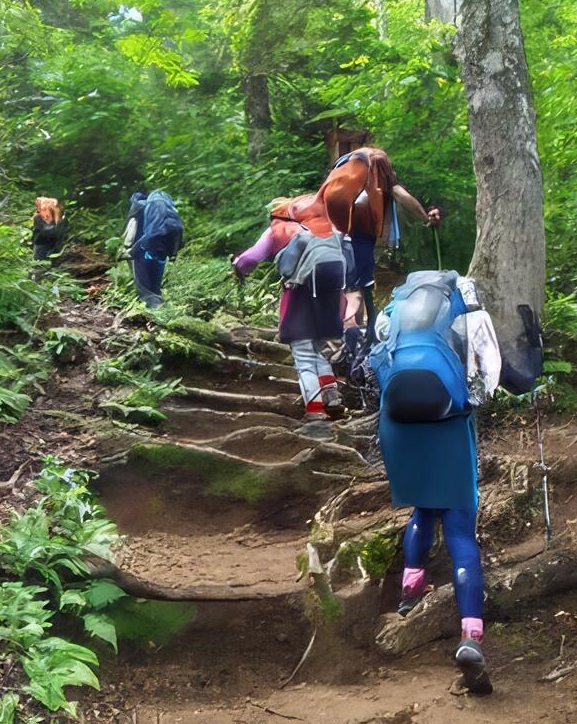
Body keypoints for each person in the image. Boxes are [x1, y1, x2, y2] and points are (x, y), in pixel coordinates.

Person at [368, 270, 542, 696]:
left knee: (423, 507)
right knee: (461, 528)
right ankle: (470, 636)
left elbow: (373, 362)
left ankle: (410, 595)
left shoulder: (393, 314)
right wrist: (531, 359)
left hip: (398, 424)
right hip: (447, 422)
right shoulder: (467, 314)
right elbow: (498, 378)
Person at [310, 147, 441, 364]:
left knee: (349, 287)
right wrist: (426, 217)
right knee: (357, 290)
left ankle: (344, 339)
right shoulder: (380, 175)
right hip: (359, 240)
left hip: (332, 239)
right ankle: (352, 342)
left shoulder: (343, 174)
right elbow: (402, 196)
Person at [232, 196, 350, 421]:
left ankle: (315, 411)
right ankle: (332, 399)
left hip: (299, 298)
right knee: (322, 350)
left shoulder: (278, 229)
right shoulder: (330, 231)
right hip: (330, 299)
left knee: (304, 356)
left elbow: (250, 260)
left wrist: (237, 267)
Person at [122, 191, 184, 308]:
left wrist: (131, 251)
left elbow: (132, 237)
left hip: (146, 245)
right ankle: (158, 301)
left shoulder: (140, 207)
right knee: (155, 281)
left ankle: (152, 305)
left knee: (144, 287)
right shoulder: (166, 205)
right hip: (165, 245)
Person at [31, 196, 66, 262]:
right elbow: (50, 232)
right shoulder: (38, 218)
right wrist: (60, 222)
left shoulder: (56, 219)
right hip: (42, 250)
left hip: (55, 249)